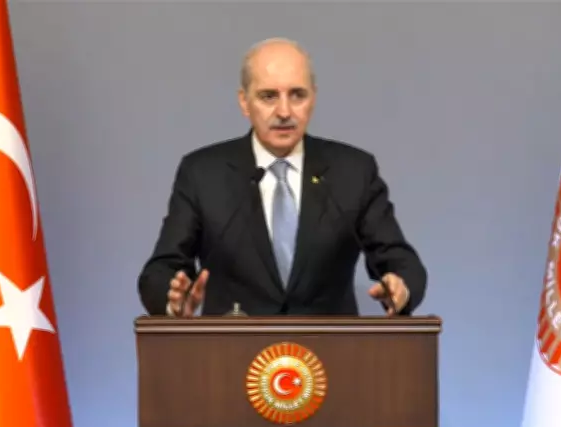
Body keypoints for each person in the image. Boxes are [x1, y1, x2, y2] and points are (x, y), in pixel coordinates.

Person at [137, 37, 427, 317]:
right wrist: (173, 300)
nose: (285, 111)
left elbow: (402, 263)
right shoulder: (203, 174)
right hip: (233, 347)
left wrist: (400, 288)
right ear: (244, 102)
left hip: (328, 348)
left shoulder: (353, 171)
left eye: (297, 95)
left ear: (313, 98)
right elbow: (160, 271)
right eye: (269, 96)